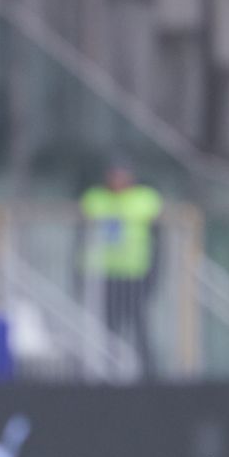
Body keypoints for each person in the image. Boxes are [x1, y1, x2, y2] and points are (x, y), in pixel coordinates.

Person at [79, 160, 161, 375]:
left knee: (139, 326)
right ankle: (109, 369)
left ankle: (149, 372)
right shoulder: (96, 199)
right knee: (109, 327)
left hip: (135, 274)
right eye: (114, 175)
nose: (117, 180)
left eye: (122, 175)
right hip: (105, 274)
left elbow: (157, 239)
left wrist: (154, 275)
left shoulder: (144, 199)